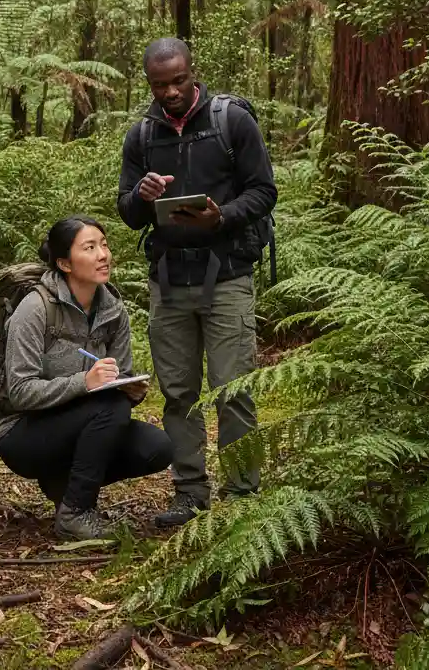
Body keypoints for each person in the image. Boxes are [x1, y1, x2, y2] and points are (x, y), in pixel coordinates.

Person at [117, 38, 277, 528]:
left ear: (193, 73)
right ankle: (190, 493)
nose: (170, 92)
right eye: (159, 84)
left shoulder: (231, 121)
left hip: (227, 274)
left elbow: (264, 191)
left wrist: (222, 217)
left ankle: (243, 492)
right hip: (169, 279)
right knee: (179, 391)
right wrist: (142, 198)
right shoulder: (142, 135)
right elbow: (126, 211)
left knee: (234, 388)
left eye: (178, 80)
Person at [0, 217, 174, 542]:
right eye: (90, 248)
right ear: (64, 263)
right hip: (23, 432)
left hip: (83, 420)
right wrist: (84, 382)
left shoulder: (113, 310)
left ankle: (64, 483)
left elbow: (117, 379)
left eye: (104, 245)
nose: (103, 254)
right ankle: (76, 512)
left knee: (157, 448)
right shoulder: (35, 309)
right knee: (109, 405)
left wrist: (131, 390)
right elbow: (19, 392)